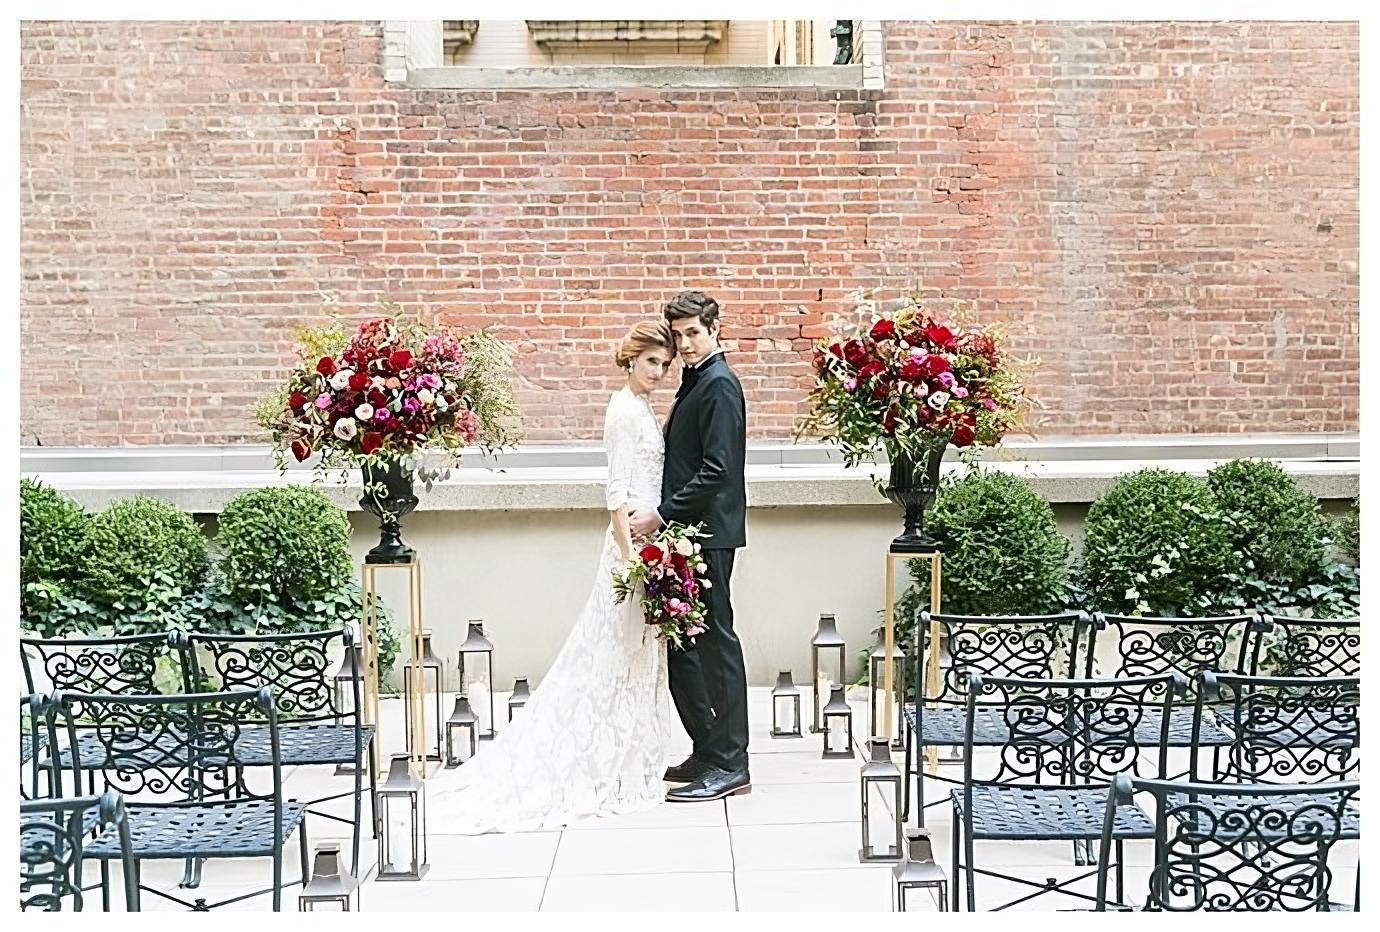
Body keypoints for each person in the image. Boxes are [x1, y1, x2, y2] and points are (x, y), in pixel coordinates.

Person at [426, 321, 676, 832]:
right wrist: (631, 561)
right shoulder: (622, 411)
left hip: (651, 544)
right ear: (631, 358)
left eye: (665, 365)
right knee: (614, 650)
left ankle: (632, 753)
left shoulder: (644, 408)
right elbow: (616, 493)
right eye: (652, 361)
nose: (659, 372)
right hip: (630, 549)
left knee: (637, 655)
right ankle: (598, 755)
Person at [629, 290, 750, 803]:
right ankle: (707, 747)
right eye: (678, 336)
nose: (685, 344)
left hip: (710, 534)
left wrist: (661, 513)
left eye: (693, 333)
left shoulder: (720, 385)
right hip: (688, 532)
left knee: (716, 644)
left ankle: (733, 762)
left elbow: (719, 471)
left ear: (715, 328)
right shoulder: (695, 380)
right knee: (688, 647)